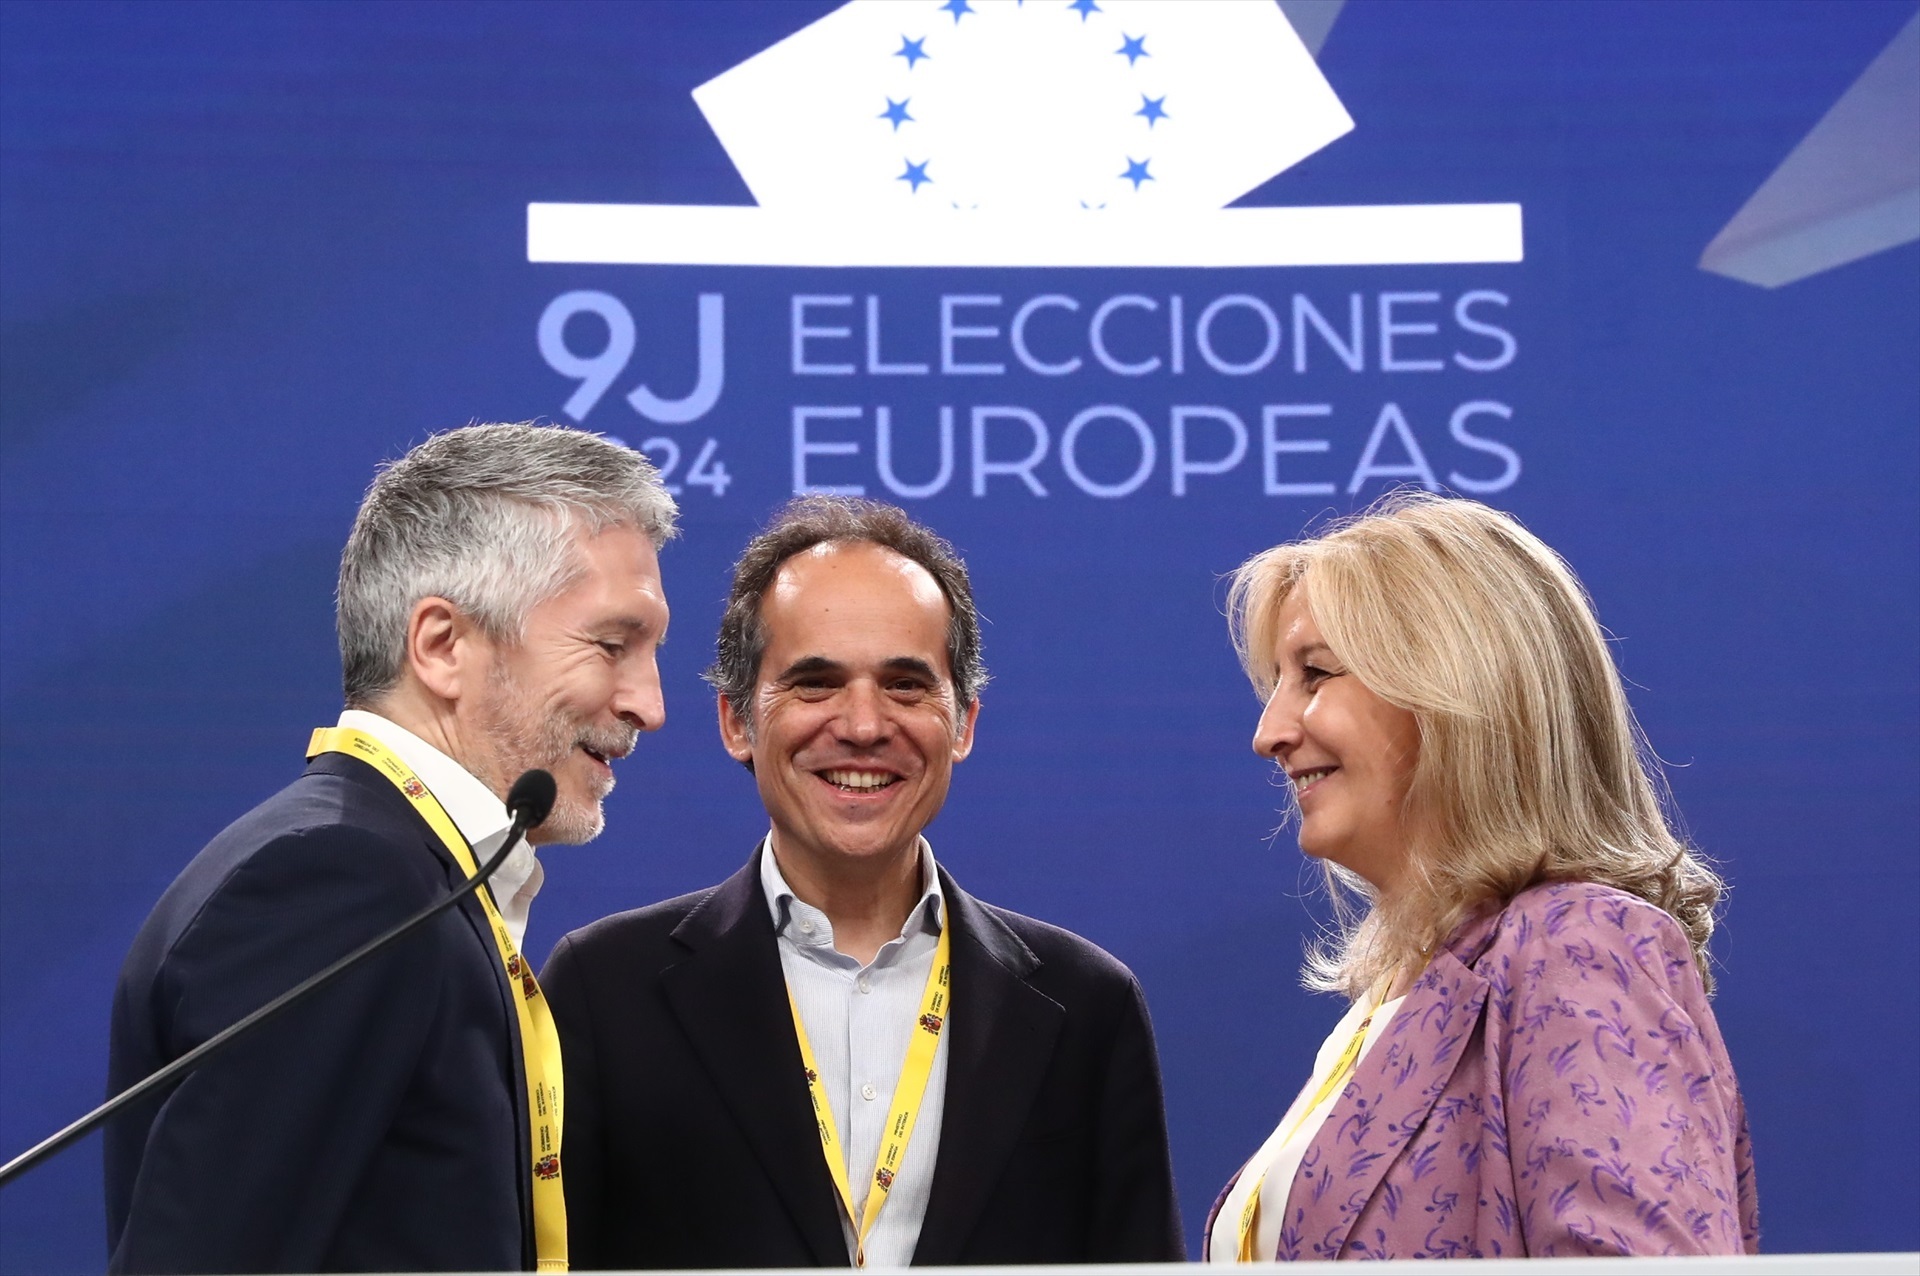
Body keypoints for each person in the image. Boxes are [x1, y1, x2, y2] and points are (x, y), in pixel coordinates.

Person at [541, 495, 1183, 1268]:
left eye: (906, 684)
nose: (864, 725)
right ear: (737, 721)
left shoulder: (1088, 1007)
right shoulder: (604, 990)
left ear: (964, 722)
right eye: (815, 683)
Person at [105, 423, 677, 1273]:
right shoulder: (339, 885)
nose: (648, 705)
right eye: (612, 646)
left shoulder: (404, 872)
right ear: (442, 646)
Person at [1205, 493, 1759, 1262]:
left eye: (1316, 674)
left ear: (1458, 688)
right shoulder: (1390, 1006)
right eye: (1276, 683)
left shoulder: (1578, 946)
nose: (1269, 733)